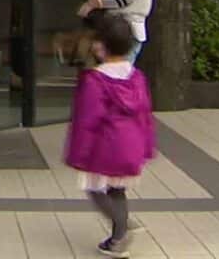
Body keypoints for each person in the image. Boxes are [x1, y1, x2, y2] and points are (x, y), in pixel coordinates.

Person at [63, 13, 157, 259]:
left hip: (104, 147)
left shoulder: (95, 80)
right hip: (131, 145)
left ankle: (121, 231)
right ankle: (118, 236)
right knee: (117, 190)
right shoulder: (136, 77)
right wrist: (147, 147)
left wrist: (77, 154)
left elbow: (87, 120)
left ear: (100, 46)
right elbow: (146, 115)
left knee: (95, 189)